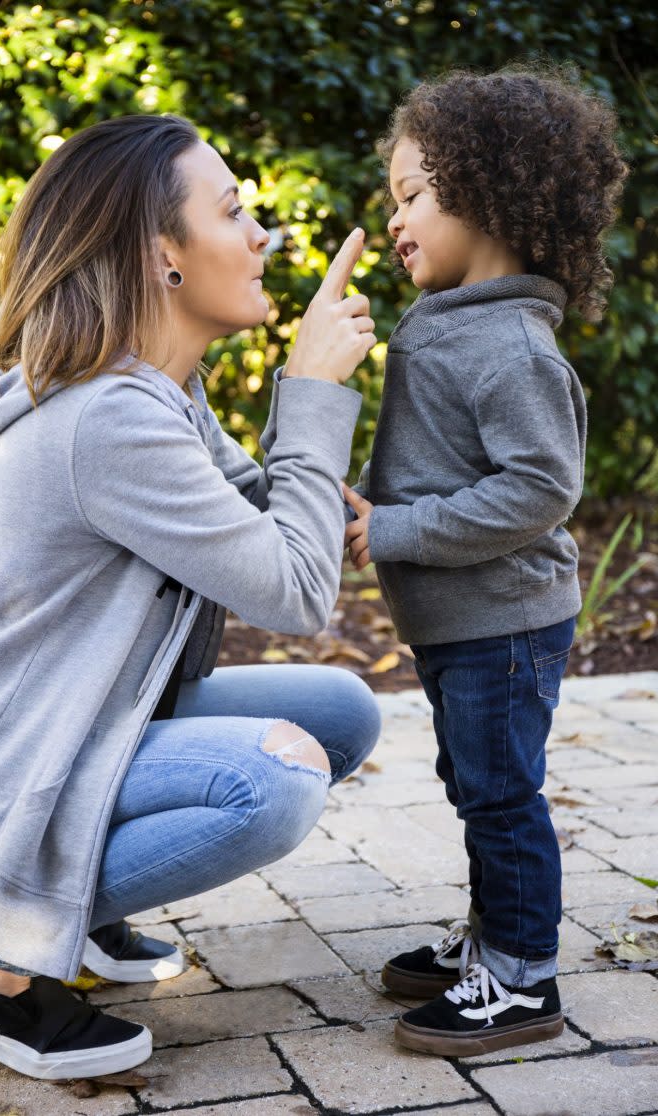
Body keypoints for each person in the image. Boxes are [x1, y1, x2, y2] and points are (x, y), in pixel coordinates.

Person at [0, 113, 381, 1080]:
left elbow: (264, 523)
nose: (263, 237)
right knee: (275, 777)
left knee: (341, 710)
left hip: (66, 726)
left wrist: (336, 491)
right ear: (160, 254)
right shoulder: (110, 419)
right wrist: (309, 390)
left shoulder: (159, 391)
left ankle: (79, 920)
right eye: (235, 212)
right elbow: (294, 592)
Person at [343, 67, 628, 1057]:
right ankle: (496, 936)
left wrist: (396, 530)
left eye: (412, 194)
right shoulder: (452, 321)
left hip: (505, 618)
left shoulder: (510, 343)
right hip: (467, 620)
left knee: (502, 794)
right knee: (479, 784)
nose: (394, 219)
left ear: (491, 196)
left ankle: (521, 977)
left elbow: (540, 489)